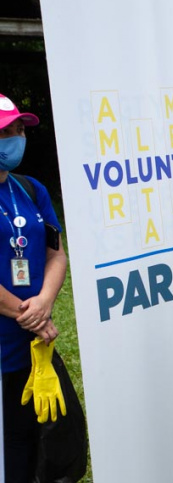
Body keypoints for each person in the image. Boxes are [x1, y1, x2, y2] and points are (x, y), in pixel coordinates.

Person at [0, 93, 67, 482]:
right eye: (5, 131)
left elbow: (56, 254)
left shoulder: (30, 188)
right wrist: (30, 316)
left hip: (34, 346)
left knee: (29, 446)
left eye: (19, 128)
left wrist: (43, 302)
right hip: (11, 341)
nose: (15, 136)